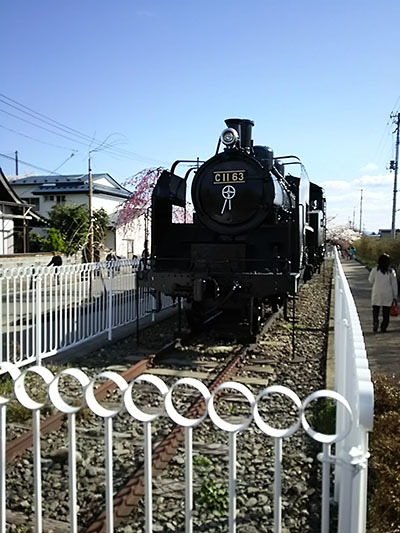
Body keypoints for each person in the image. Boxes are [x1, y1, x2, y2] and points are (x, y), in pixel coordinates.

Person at [368, 253, 398, 333]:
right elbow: (394, 284)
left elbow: (370, 280)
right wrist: (395, 296)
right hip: (388, 293)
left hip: (377, 292)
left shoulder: (375, 270)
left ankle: (375, 322)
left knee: (375, 310)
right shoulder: (391, 272)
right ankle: (383, 327)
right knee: (386, 312)